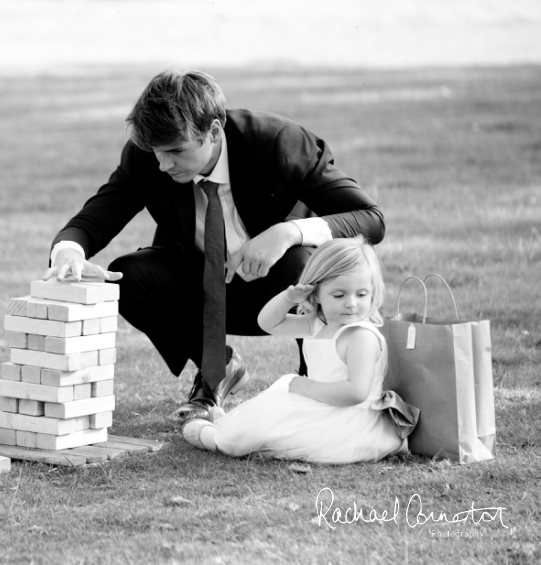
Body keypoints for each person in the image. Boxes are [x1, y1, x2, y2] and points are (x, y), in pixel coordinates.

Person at [42, 69, 385, 423]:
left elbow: (369, 217)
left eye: (175, 151)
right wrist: (68, 252)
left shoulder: (279, 142)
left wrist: (287, 233)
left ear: (214, 131)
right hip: (201, 285)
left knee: (302, 264)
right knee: (128, 277)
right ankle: (216, 369)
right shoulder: (148, 156)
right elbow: (98, 216)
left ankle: (313, 379)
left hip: (284, 289)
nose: (163, 165)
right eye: (157, 153)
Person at [181, 236, 418, 463]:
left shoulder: (359, 336)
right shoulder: (318, 324)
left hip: (348, 421)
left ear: (373, 293)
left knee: (270, 427)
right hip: (320, 405)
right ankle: (231, 426)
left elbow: (356, 392)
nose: (351, 303)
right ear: (316, 294)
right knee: (271, 412)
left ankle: (216, 438)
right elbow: (267, 323)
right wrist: (289, 297)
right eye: (339, 294)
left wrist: (306, 386)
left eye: (362, 294)